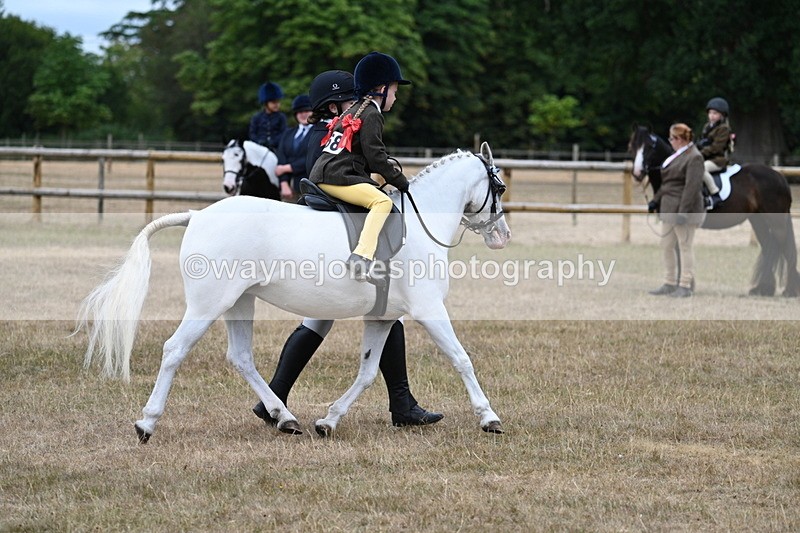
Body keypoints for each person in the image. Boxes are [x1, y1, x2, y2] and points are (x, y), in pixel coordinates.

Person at [251, 69, 444, 428]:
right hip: (332, 234)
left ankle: (274, 397)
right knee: (383, 312)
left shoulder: (336, 125)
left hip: (335, 223)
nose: (354, 102)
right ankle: (402, 404)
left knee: (326, 322)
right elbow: (346, 171)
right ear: (333, 104)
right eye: (347, 99)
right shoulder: (328, 131)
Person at [309, 52, 411, 284]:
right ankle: (362, 257)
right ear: (382, 89)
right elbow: (376, 157)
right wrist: (400, 180)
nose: (395, 98)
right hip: (338, 177)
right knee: (382, 202)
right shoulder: (371, 114)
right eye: (395, 91)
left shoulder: (353, 110)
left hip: (323, 174)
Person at [647, 123, 706, 298]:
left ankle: (685, 285)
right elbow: (668, 184)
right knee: (666, 246)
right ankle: (669, 282)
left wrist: (683, 212)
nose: (670, 141)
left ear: (680, 139)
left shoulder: (694, 157)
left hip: (683, 209)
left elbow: (691, 187)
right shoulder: (676, 156)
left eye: (672, 138)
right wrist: (655, 200)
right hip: (669, 208)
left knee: (685, 246)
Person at [695, 97, 732, 211]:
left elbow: (716, 148)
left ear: (722, 115)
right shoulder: (707, 127)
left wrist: (699, 154)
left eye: (715, 113)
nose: (711, 116)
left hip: (717, 160)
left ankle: (715, 194)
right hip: (706, 157)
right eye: (710, 113)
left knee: (701, 168)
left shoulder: (724, 129)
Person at [275, 94, 313, 200]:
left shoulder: (319, 132)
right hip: (288, 189)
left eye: (307, 111)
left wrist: (288, 168)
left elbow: (313, 157)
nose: (303, 114)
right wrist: (283, 183)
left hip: (309, 187)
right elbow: (281, 157)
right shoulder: (288, 133)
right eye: (300, 112)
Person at [249, 81, 287, 151]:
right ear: (266, 103)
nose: (277, 105)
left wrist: (272, 142)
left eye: (278, 102)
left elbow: (284, 133)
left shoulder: (281, 117)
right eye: (273, 102)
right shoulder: (256, 117)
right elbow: (252, 134)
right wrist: (259, 141)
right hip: (259, 148)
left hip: (277, 148)